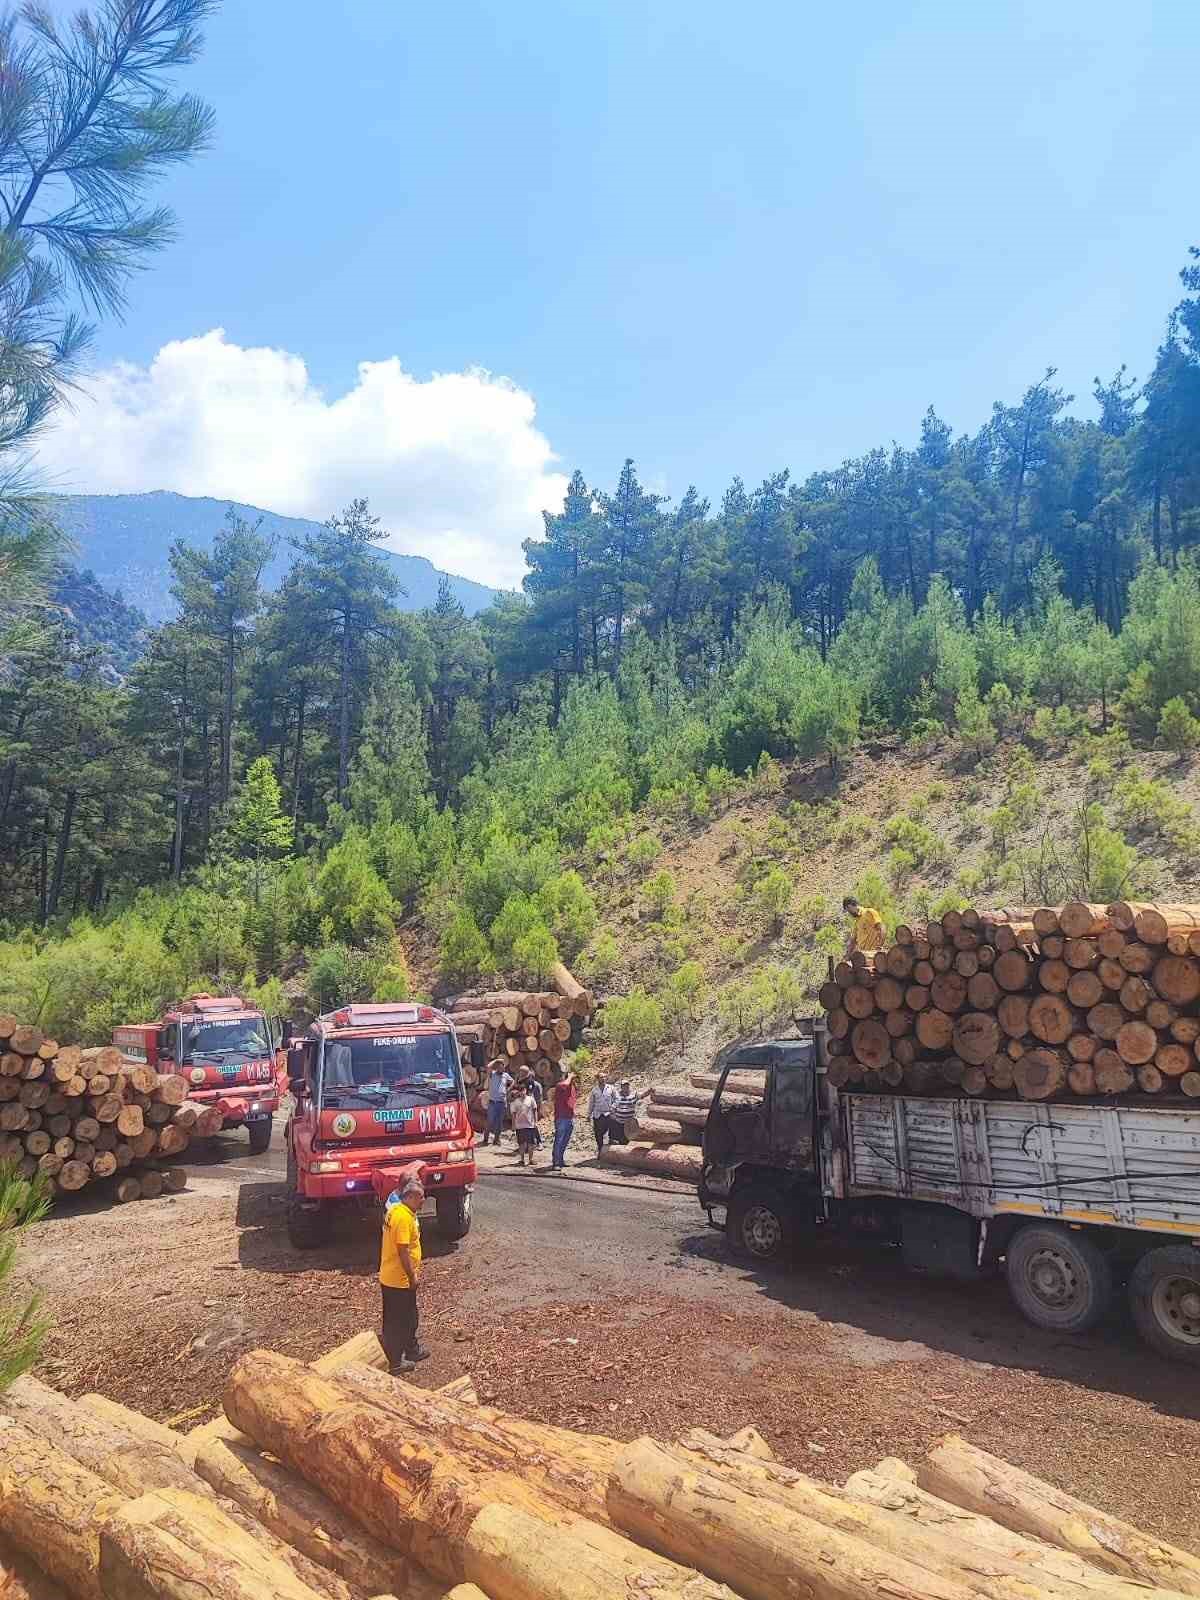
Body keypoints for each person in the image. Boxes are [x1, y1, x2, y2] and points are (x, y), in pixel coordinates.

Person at [379, 1173, 429, 1374]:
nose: (423, 1200)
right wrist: (412, 1276)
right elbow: (402, 1250)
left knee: (407, 1316)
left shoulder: (400, 1211)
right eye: (420, 1197)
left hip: (394, 1277)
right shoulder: (401, 1217)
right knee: (397, 1320)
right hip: (398, 1280)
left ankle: (410, 1349)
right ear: (409, 1197)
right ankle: (395, 1362)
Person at [550, 1066, 577, 1171]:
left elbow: (572, 1101)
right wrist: (570, 1076)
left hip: (569, 1117)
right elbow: (565, 1084)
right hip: (561, 1118)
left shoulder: (572, 1088)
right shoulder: (560, 1086)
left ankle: (560, 1160)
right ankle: (555, 1162)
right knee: (559, 1140)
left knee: (565, 1140)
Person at [482, 1060, 513, 1146]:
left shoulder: (506, 1075)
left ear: (504, 1068)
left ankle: (496, 1140)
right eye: (499, 1067)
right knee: (490, 1121)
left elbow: (513, 1082)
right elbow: (488, 1066)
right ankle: (485, 1139)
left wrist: (508, 1089)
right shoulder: (493, 1074)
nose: (501, 1068)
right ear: (497, 1068)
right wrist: (496, 1060)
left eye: (502, 1067)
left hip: (502, 1102)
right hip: (493, 1102)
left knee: (499, 1122)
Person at [510, 1079, 539, 1167]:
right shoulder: (515, 1102)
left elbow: (535, 1110)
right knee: (521, 1144)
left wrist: (535, 1122)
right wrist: (513, 1125)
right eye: (520, 1091)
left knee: (531, 1144)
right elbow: (513, 1115)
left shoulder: (531, 1099)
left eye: (524, 1090)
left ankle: (530, 1159)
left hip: (530, 1125)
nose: (522, 1092)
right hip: (520, 1126)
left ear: (526, 1090)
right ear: (518, 1092)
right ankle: (522, 1160)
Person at [586, 1073, 616, 1153]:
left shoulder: (611, 1088)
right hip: (597, 1115)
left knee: (611, 1132)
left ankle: (610, 1150)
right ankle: (600, 1150)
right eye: (601, 1077)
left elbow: (616, 1099)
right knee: (598, 1134)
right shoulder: (594, 1090)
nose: (603, 1078)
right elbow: (591, 1103)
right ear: (598, 1079)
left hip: (608, 1114)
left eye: (604, 1077)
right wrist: (588, 1115)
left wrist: (613, 1107)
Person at [608, 1078, 643, 1144]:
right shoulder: (617, 1096)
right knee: (621, 1139)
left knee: (629, 1139)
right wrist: (612, 1114)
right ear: (621, 1087)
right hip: (619, 1122)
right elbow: (612, 1107)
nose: (625, 1087)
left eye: (627, 1085)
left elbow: (642, 1096)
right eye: (624, 1085)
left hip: (629, 1123)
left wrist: (649, 1091)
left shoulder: (633, 1095)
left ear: (628, 1086)